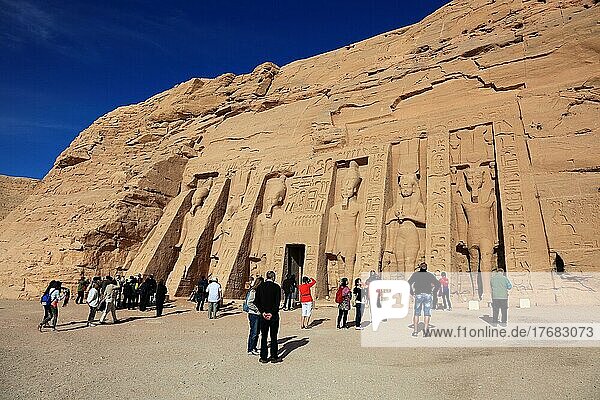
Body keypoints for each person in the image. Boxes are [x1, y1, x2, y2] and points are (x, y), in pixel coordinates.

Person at [254, 271, 282, 363]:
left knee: (264, 336)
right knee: (273, 337)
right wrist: (272, 313)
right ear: (273, 277)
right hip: (273, 316)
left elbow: (256, 301)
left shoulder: (260, 287)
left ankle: (264, 357)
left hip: (263, 316)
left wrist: (263, 312)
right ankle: (274, 356)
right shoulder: (276, 287)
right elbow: (277, 303)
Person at [407, 262, 440, 337]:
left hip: (418, 294)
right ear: (426, 268)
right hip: (428, 294)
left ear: (420, 267)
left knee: (416, 313)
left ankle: (415, 331)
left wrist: (412, 292)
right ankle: (425, 331)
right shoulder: (429, 275)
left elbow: (409, 283)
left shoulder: (416, 274)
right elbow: (438, 283)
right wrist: (434, 292)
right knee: (427, 313)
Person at [244, 276, 263, 355]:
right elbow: (249, 303)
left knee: (257, 332)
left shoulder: (258, 291)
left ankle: (253, 347)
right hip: (253, 314)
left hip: (257, 314)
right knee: (254, 332)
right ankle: (250, 349)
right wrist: (257, 309)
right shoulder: (253, 291)